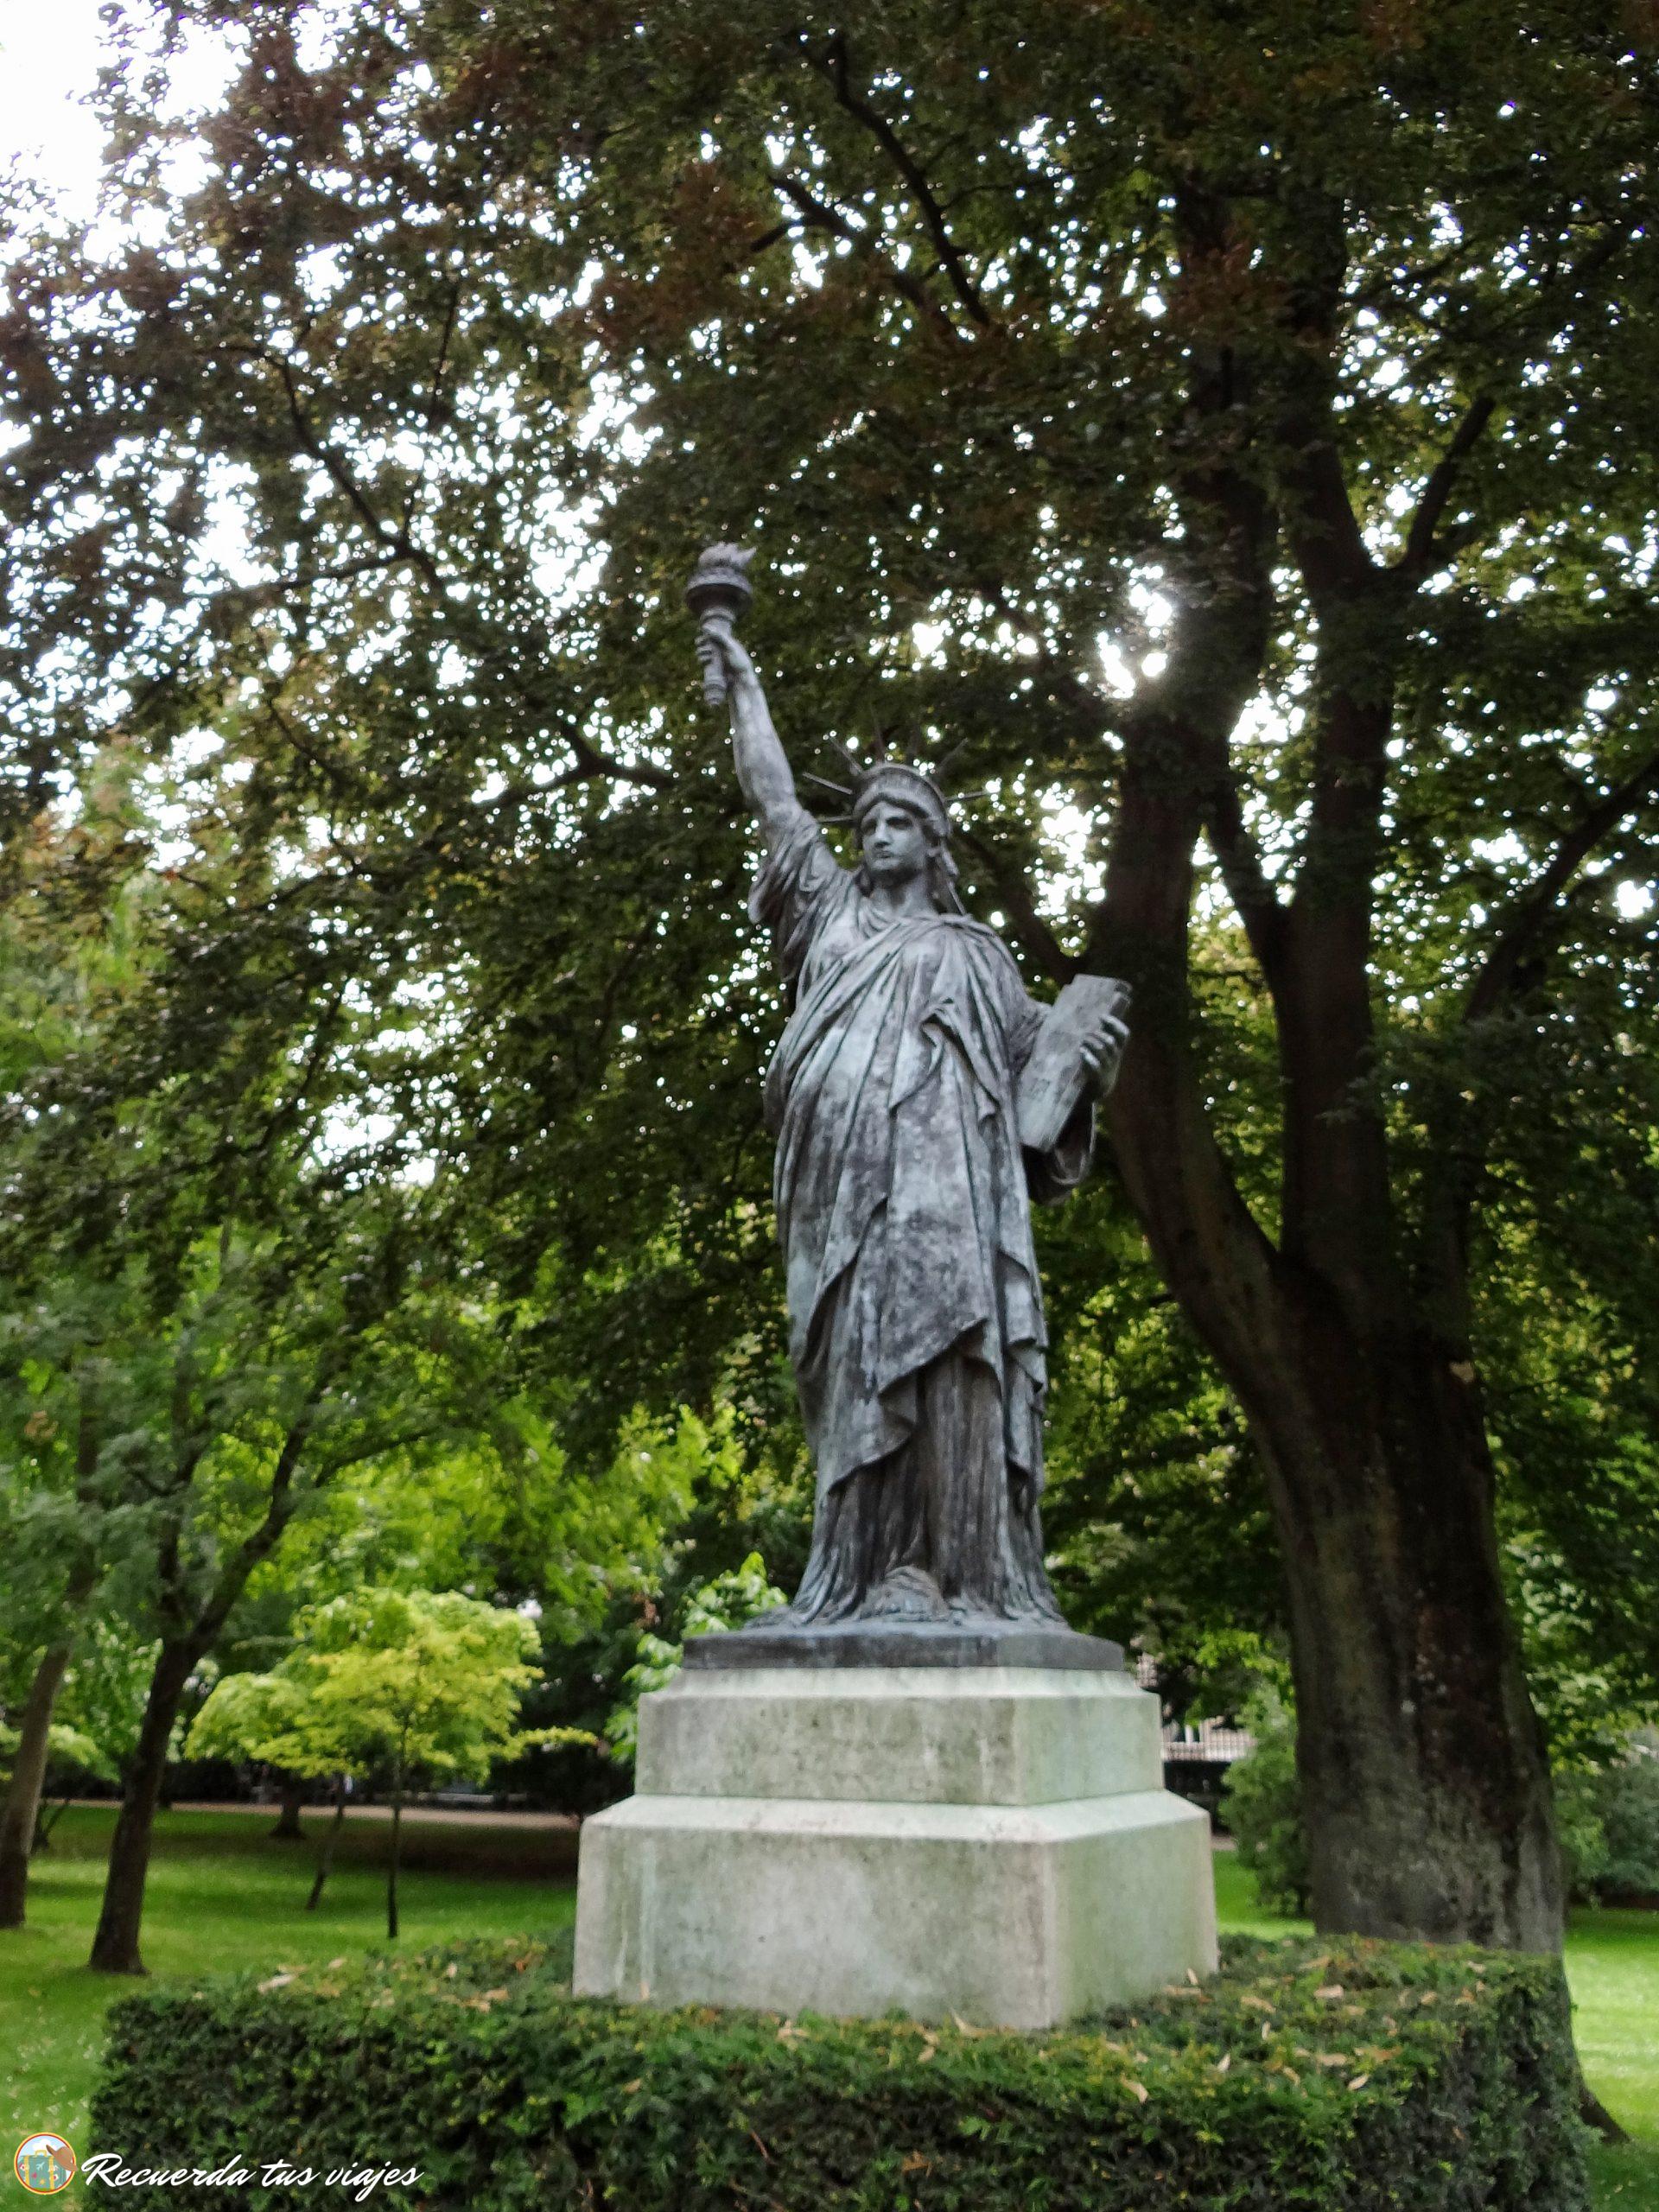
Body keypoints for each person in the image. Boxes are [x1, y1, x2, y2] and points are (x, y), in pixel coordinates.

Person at [697, 620, 1128, 1626]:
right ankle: (855, 1574)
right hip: (835, 1185)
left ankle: (945, 1569)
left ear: (935, 844)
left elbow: (1042, 1098)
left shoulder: (980, 956)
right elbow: (775, 801)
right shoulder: (829, 915)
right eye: (868, 823)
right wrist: (745, 682)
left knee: (945, 1357)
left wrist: (1092, 1070)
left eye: (899, 822)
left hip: (948, 1201)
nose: (878, 834)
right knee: (852, 1365)